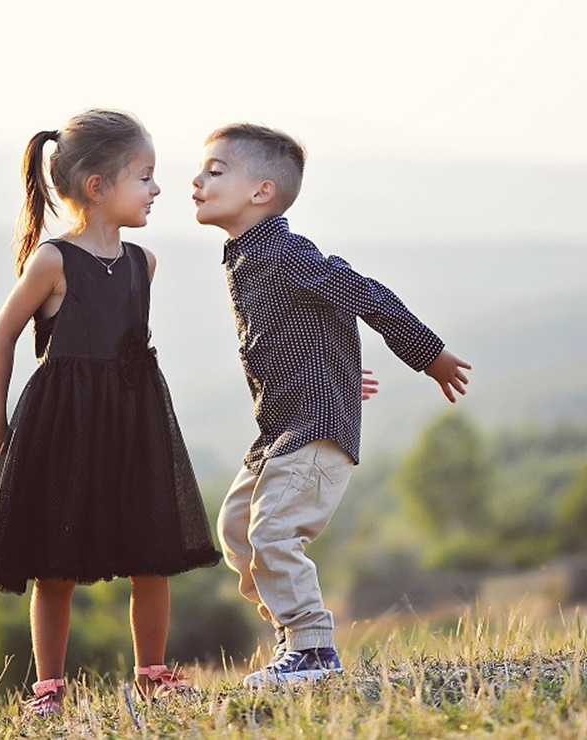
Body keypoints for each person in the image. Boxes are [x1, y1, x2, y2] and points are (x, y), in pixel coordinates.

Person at [190, 122, 473, 687]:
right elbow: (299, 330)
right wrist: (336, 372)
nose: (196, 182)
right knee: (238, 532)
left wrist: (428, 353)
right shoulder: (245, 256)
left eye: (214, 171)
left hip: (314, 431)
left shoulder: (287, 253)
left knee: (273, 533)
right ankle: (294, 639)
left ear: (261, 192)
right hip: (280, 427)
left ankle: (313, 648)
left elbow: (363, 293)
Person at [0, 108, 221, 716]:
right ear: (98, 187)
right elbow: (3, 336)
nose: (158, 190)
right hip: (64, 427)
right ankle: (49, 686)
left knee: (151, 552)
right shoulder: (53, 261)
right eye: (145, 177)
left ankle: (153, 672)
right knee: (57, 563)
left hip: (134, 425)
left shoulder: (142, 264)